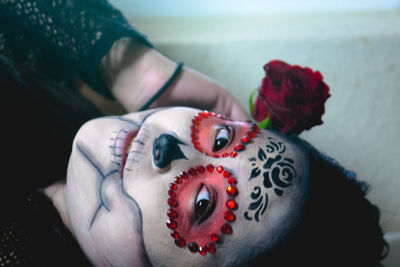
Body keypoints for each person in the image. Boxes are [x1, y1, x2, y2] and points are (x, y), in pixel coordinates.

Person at [0, 1, 388, 267]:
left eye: (202, 205)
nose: (171, 147)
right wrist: (132, 69)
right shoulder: (45, 130)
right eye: (221, 140)